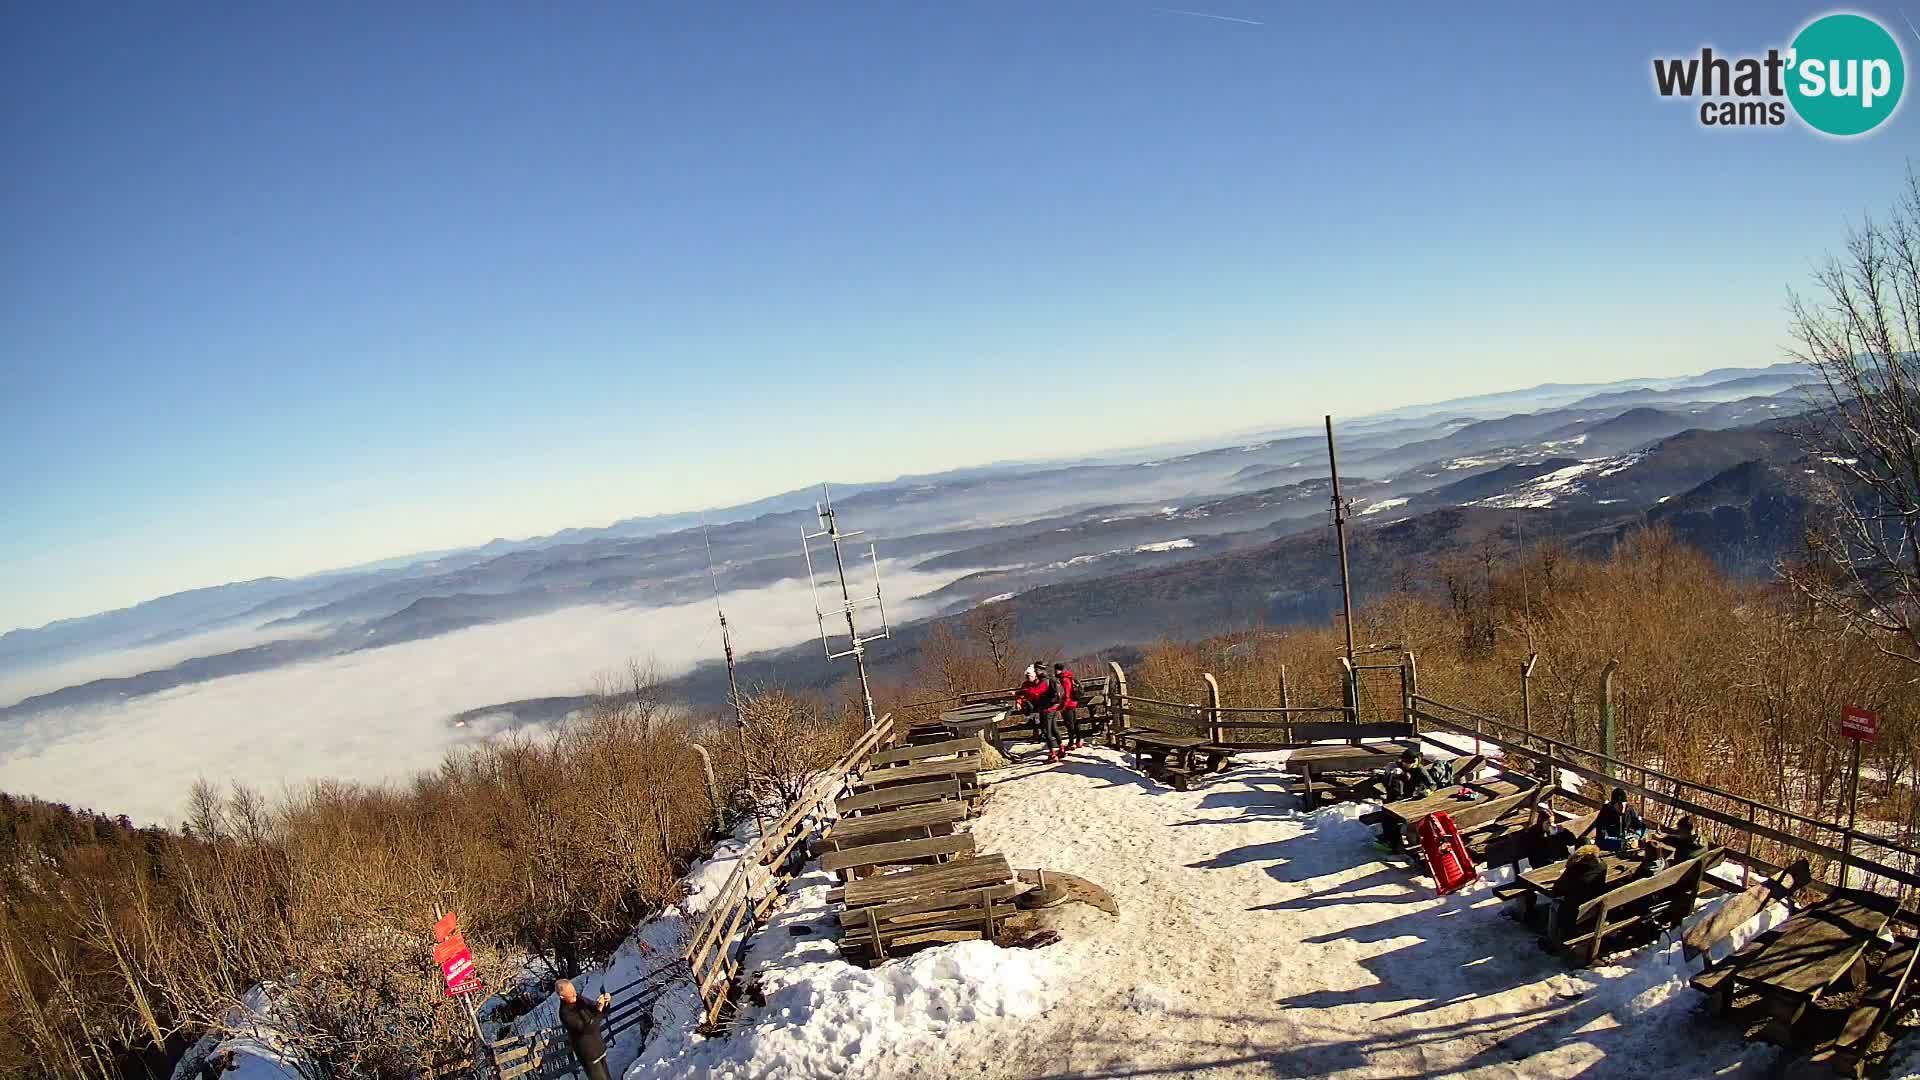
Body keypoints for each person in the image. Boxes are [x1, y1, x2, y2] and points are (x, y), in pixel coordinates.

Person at [1546, 846, 1609, 949]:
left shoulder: (1574, 871)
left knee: (1554, 903)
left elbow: (1556, 891)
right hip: (1594, 905)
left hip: (1576, 910)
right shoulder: (1602, 866)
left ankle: (1552, 940)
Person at [557, 978, 613, 1080]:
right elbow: (588, 1028)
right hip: (589, 1055)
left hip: (599, 1047)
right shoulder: (565, 1014)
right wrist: (599, 1010)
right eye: (571, 994)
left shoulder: (579, 999)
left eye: (574, 991)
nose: (575, 995)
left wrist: (605, 1003)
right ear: (562, 997)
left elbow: (597, 1011)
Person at [1016, 662, 1064, 762]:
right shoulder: (1050, 678)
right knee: (1054, 729)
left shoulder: (1044, 680)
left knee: (1046, 731)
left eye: (1036, 669)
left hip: (1047, 708)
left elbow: (1036, 691)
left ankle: (1052, 754)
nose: (1036, 671)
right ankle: (1061, 748)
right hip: (1054, 707)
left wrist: (1020, 692)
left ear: (1040, 670)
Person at [1594, 788, 1646, 853]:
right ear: (1613, 804)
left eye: (1623, 804)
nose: (1621, 807)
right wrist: (1619, 843)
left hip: (1627, 845)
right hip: (1610, 847)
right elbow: (1600, 838)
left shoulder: (1630, 810)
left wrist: (1636, 836)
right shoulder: (1605, 813)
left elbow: (1641, 827)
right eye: (1618, 804)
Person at [1054, 662, 1085, 750]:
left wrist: (1062, 707)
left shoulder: (1064, 679)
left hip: (1068, 704)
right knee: (1074, 722)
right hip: (1072, 703)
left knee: (1069, 724)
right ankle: (1079, 740)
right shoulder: (1068, 677)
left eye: (1056, 670)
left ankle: (1072, 742)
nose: (1055, 672)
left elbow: (1067, 694)